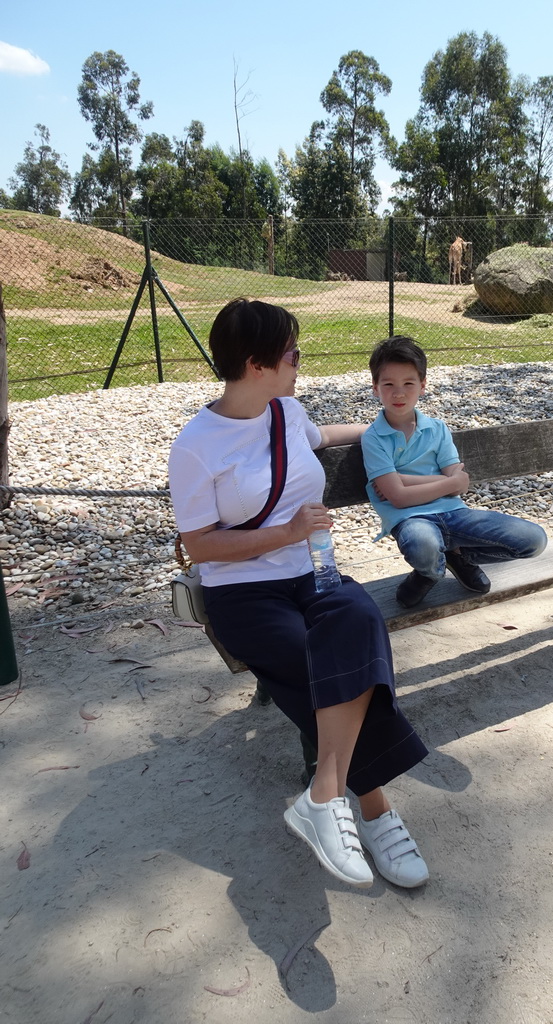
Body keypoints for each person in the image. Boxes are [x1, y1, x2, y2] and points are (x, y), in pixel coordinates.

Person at [168, 300, 429, 890]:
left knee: (361, 622)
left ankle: (323, 793)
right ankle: (376, 810)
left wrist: (387, 426)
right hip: (242, 593)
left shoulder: (286, 412)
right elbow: (201, 547)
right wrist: (285, 532)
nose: (299, 361)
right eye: (292, 353)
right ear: (256, 363)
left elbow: (324, 435)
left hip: (313, 572)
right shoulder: (196, 446)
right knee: (322, 665)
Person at [362, 336, 548, 608]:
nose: (399, 393)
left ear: (422, 386)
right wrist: (447, 481)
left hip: (455, 513)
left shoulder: (437, 428)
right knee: (422, 543)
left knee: (534, 540)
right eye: (388, 384)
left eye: (408, 383)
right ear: (375, 388)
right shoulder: (374, 437)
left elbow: (460, 486)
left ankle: (458, 556)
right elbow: (400, 499)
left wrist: (407, 480)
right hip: (410, 518)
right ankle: (429, 572)